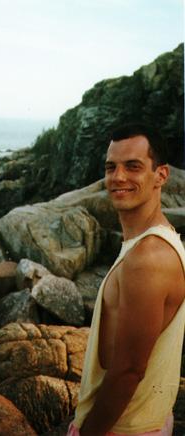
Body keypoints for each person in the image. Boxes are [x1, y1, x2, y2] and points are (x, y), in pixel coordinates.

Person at [68, 123, 185, 436]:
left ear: (161, 175)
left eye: (133, 166)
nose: (118, 177)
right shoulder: (158, 241)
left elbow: (128, 372)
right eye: (111, 167)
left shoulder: (148, 258)